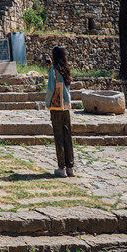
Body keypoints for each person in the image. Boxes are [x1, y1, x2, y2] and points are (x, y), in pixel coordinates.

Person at [45, 45, 75, 177]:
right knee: (67, 135)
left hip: (56, 106)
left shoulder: (53, 70)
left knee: (59, 136)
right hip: (66, 106)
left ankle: (61, 167)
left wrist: (47, 103)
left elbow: (51, 89)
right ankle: (70, 167)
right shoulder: (66, 70)